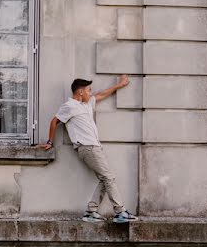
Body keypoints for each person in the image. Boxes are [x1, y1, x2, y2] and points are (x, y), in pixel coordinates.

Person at [42, 76, 138, 223]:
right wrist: (50, 141)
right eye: (89, 90)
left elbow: (102, 94)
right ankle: (120, 212)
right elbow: (54, 121)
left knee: (106, 178)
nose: (91, 93)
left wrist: (120, 85)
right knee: (108, 177)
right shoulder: (70, 106)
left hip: (94, 147)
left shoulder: (86, 105)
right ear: (80, 91)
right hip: (87, 147)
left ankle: (91, 211)